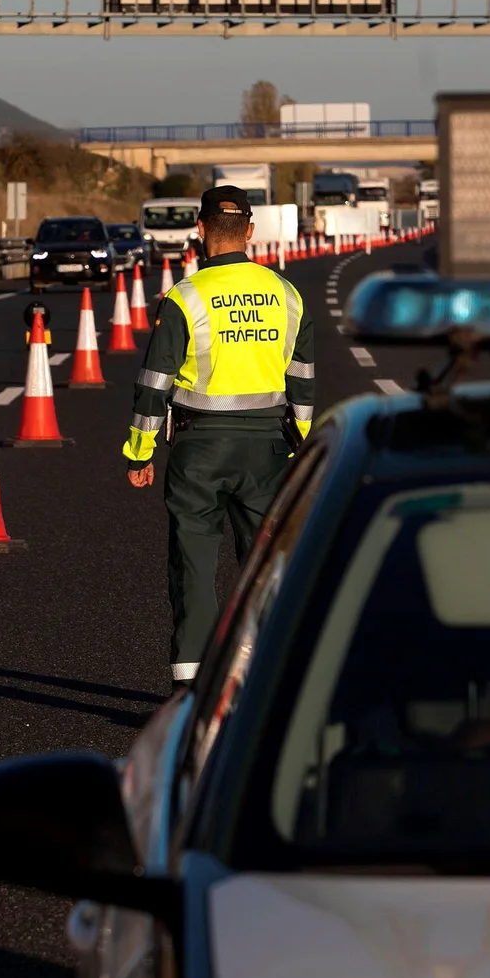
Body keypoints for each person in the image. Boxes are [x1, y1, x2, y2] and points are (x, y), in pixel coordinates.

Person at [124, 185, 315, 688]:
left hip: (198, 451)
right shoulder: (286, 295)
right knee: (266, 567)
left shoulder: (183, 298)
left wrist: (139, 452)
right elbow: (303, 380)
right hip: (269, 451)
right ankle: (267, 680)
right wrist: (301, 441)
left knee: (193, 565)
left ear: (201, 230)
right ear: (250, 232)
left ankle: (190, 686)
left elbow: (154, 383)